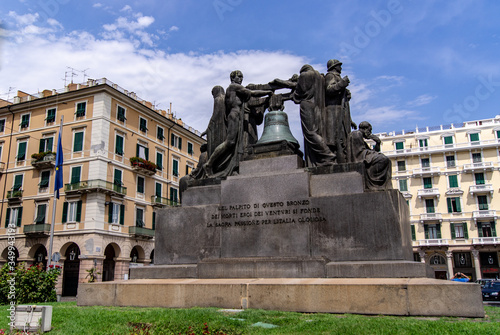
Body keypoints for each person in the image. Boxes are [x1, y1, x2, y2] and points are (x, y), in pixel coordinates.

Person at [203, 70, 272, 177]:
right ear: (232, 78)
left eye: (242, 77)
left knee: (234, 145)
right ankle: (209, 164)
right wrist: (268, 92)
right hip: (234, 116)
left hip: (238, 117)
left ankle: (229, 165)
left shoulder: (236, 90)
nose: (240, 78)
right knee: (230, 142)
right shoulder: (233, 87)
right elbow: (252, 93)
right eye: (238, 76)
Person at [292, 64, 335, 167]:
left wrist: (294, 95)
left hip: (307, 105)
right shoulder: (320, 77)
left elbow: (299, 93)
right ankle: (324, 157)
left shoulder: (304, 75)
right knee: (317, 131)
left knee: (310, 133)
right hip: (318, 106)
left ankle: (328, 155)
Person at [324, 59, 356, 163]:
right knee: (336, 137)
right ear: (334, 66)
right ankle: (335, 159)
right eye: (339, 66)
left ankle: (342, 158)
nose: (340, 68)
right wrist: (342, 84)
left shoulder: (337, 77)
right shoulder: (330, 76)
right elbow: (329, 89)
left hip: (341, 112)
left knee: (342, 137)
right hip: (334, 111)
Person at [347, 121, 392, 190]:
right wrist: (372, 154)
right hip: (359, 157)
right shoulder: (356, 134)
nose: (370, 133)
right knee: (382, 159)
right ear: (365, 129)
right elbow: (359, 152)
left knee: (385, 159)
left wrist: (378, 143)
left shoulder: (361, 137)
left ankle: (379, 184)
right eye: (369, 130)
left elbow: (370, 151)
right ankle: (375, 183)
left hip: (363, 155)